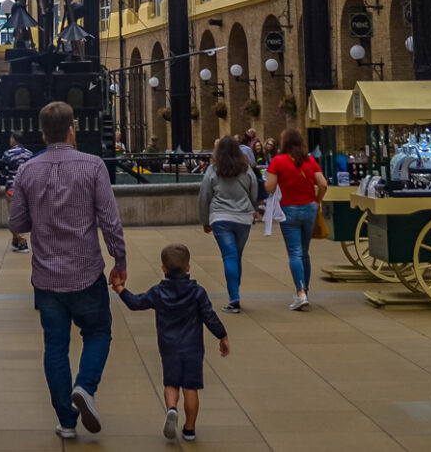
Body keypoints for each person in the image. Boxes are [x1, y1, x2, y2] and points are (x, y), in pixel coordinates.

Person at [9, 100, 128, 440]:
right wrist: (120, 261)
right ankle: (85, 386)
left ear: (43, 134)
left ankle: (66, 420)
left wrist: (40, 218)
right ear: (72, 130)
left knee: (55, 347)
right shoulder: (93, 167)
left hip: (47, 278)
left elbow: (16, 221)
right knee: (99, 332)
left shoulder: (27, 171)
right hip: (86, 271)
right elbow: (110, 220)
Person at [116, 244, 229, 442]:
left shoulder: (158, 292)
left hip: (168, 347)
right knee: (190, 387)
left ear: (163, 268)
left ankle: (171, 409)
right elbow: (209, 317)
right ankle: (190, 429)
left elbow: (136, 303)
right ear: (188, 267)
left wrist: (120, 289)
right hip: (193, 347)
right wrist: (222, 336)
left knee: (171, 383)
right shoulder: (198, 292)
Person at [260, 127, 325, 311]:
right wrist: (317, 200)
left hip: (289, 209)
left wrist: (270, 180)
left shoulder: (278, 161)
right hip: (310, 208)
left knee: (294, 252)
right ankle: (306, 290)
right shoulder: (310, 160)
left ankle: (300, 292)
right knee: (305, 252)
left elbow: (270, 188)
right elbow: (323, 183)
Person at [198, 136, 262, 312]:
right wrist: (251, 207)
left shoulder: (213, 169)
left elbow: (204, 195)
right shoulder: (246, 169)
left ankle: (234, 297)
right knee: (236, 255)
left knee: (229, 256)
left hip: (220, 218)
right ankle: (235, 290)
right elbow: (254, 191)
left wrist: (204, 220)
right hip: (243, 218)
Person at [2, 134, 36, 253]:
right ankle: (16, 240)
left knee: (13, 215)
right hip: (26, 188)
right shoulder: (30, 154)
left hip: (12, 187)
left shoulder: (8, 154)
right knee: (22, 214)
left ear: (14, 139)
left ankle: (21, 242)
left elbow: (2, 171)